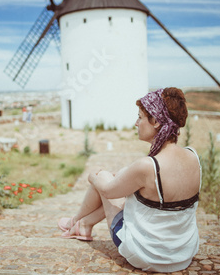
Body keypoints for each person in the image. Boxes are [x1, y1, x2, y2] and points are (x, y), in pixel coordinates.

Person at [58, 87, 202, 272]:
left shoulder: (148, 166)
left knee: (102, 178)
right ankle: (83, 225)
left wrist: (94, 175)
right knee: (126, 184)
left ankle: (75, 222)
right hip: (182, 254)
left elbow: (108, 190)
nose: (136, 123)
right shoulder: (193, 156)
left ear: (156, 121)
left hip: (146, 255)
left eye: (140, 117)